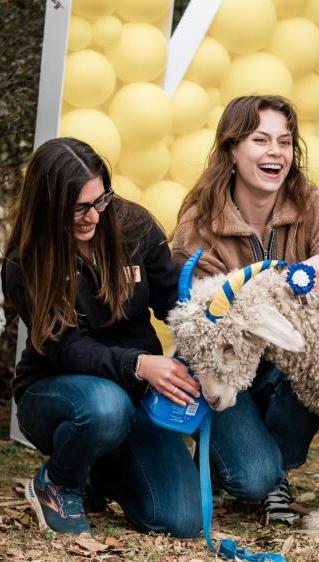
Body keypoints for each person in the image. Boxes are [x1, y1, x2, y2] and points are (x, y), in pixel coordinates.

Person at [172, 95, 319, 523]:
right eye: (260, 140)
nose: (275, 152)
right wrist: (282, 289)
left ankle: (271, 472)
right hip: (226, 368)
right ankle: (239, 461)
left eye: (284, 141)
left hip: (290, 364)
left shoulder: (316, 206)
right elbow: (204, 318)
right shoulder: (200, 221)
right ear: (231, 150)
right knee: (251, 479)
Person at [2, 137, 202, 537]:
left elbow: (172, 304)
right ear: (48, 204)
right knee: (105, 407)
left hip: (136, 395)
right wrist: (140, 364)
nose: (93, 216)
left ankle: (102, 472)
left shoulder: (135, 226)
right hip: (60, 393)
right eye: (78, 208)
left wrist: (207, 327)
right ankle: (57, 482)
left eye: (100, 200)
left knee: (181, 521)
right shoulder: (25, 259)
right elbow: (68, 348)